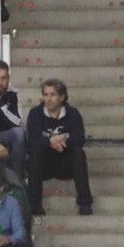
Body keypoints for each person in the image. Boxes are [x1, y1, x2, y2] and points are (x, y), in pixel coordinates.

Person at [25, 79, 92, 217]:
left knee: (78, 153)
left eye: (53, 95)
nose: (48, 99)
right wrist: (50, 141)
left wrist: (64, 139)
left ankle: (85, 204)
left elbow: (80, 139)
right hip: (44, 165)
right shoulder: (35, 114)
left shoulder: (73, 114)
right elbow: (32, 140)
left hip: (64, 164)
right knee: (36, 152)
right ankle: (35, 206)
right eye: (46, 94)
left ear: (62, 97)